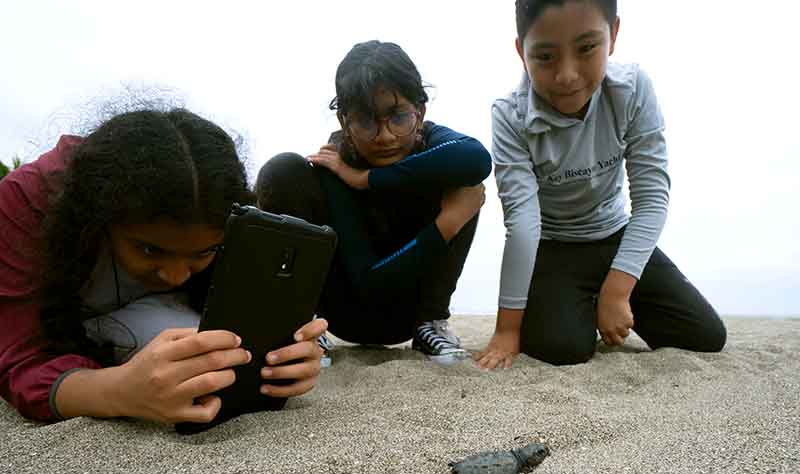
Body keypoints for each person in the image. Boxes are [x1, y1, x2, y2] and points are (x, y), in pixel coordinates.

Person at [0, 108, 326, 425]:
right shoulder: (25, 203)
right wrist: (118, 391)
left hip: (132, 320)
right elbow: (19, 360)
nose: (175, 275)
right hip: (50, 326)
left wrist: (290, 355)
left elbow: (247, 317)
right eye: (149, 249)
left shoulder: (224, 220)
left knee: (214, 357)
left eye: (202, 252)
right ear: (100, 215)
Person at [477, 0, 727, 369]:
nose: (567, 75)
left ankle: (601, 297)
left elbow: (652, 198)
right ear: (521, 51)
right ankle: (576, 302)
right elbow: (523, 222)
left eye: (586, 48)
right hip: (556, 244)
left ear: (613, 36)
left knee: (705, 335)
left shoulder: (632, 90)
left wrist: (618, 288)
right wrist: (507, 330)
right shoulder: (510, 116)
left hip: (615, 235)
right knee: (562, 348)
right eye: (545, 56)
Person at [256, 41, 491, 364]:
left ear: (420, 112)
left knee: (464, 181)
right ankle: (301, 323)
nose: (384, 136)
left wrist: (366, 179)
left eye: (398, 117)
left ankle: (431, 323)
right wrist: (449, 223)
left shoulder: (433, 144)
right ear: (344, 121)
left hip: (410, 315)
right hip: (344, 309)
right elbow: (368, 283)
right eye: (366, 121)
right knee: (283, 169)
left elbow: (477, 159)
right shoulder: (335, 165)